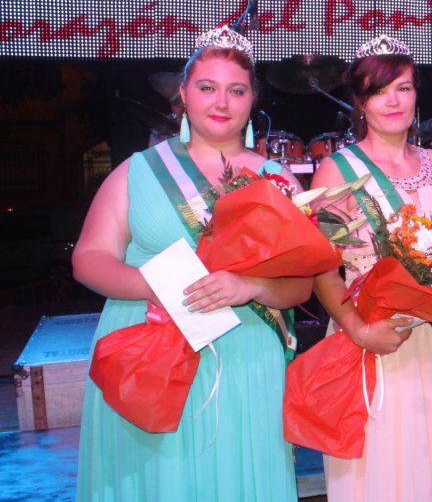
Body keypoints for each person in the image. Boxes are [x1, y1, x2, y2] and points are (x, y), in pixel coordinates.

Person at [73, 25, 312, 501]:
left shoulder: (278, 178)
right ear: (183, 94)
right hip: (152, 352)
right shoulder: (139, 170)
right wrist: (159, 285)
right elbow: (88, 260)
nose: (221, 102)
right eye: (207, 87)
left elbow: (300, 285)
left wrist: (251, 287)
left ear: (251, 101)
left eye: (236, 90)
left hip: (246, 358)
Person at [310, 35, 432, 501]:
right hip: (372, 339)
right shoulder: (335, 171)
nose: (393, 101)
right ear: (360, 102)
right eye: (379, 91)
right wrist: (358, 330)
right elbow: (322, 269)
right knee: (379, 475)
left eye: (403, 88)